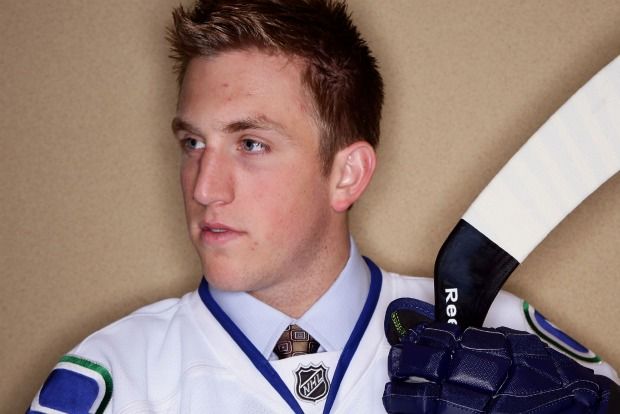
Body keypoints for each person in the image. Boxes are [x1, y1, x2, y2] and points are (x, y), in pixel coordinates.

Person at [27, 1, 618, 413]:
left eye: (251, 144)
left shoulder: (508, 344)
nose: (205, 187)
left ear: (347, 174)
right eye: (193, 143)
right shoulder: (113, 381)